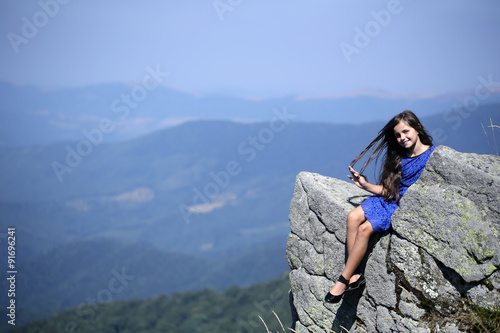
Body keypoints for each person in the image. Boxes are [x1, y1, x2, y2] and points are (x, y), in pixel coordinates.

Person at [324, 110, 435, 303]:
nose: (402, 138)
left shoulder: (433, 156)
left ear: (418, 128)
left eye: (406, 132)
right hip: (388, 199)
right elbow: (388, 191)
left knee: (365, 228)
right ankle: (355, 275)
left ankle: (342, 279)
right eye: (398, 135)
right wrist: (365, 185)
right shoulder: (400, 155)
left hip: (402, 206)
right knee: (352, 217)